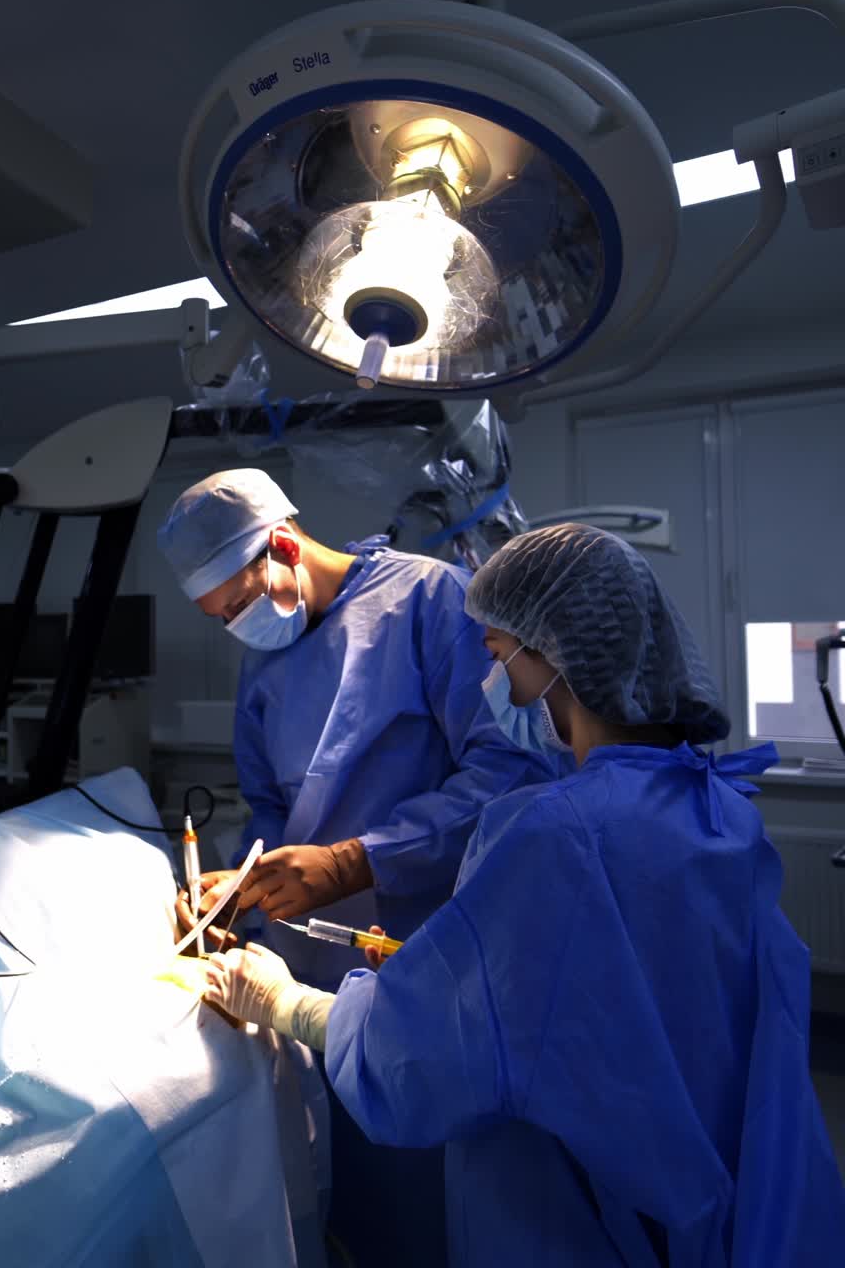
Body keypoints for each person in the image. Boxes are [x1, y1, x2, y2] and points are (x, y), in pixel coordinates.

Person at [203, 523, 845, 1266]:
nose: (493, 684)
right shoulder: (720, 810)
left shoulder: (558, 836)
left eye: (498, 654)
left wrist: (283, 1002)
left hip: (587, 1223)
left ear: (553, 656)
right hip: (730, 1210)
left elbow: (420, 1058)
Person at [158, 467, 563, 1262]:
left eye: (238, 603)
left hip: (431, 958)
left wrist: (360, 860)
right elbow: (268, 808)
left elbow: (509, 774)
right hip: (308, 976)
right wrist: (241, 884)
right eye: (220, 618)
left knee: (433, 1188)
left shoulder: (430, 601)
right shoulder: (266, 660)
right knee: (344, 1191)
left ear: (283, 545)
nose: (237, 626)